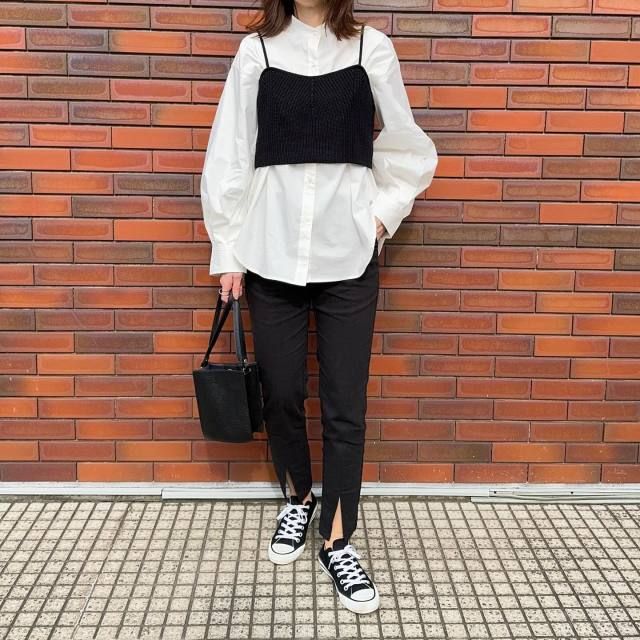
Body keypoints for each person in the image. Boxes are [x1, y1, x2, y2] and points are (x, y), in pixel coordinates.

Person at [200, 0, 438, 615]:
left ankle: (337, 538)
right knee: (281, 392)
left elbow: (408, 146)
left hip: (348, 256)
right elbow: (230, 152)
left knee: (344, 405)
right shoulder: (257, 51)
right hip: (270, 251)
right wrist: (228, 249)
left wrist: (381, 217)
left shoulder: (369, 48)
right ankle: (298, 498)